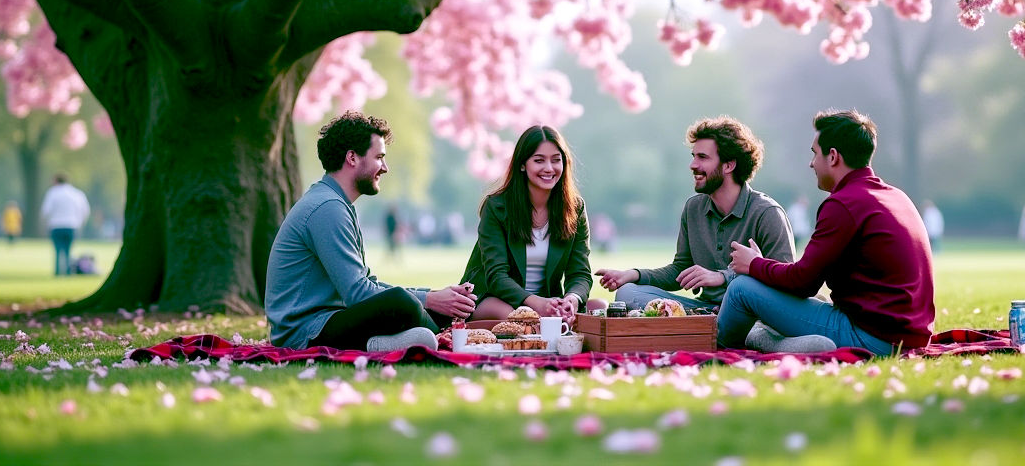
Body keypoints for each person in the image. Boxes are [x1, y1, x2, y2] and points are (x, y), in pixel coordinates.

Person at [722, 110, 936, 355]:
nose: (811, 163)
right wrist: (762, 266)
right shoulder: (896, 196)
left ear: (833, 156)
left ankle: (723, 342)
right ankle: (788, 341)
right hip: (910, 337)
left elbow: (802, 283)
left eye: (814, 153)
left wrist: (754, 265)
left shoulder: (843, 204)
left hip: (873, 338)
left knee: (741, 289)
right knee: (816, 302)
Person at [264, 111, 476, 351]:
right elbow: (359, 293)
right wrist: (429, 301)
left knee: (420, 303)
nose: (385, 167)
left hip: (330, 320)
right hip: (306, 332)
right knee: (401, 302)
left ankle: (386, 343)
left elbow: (366, 283)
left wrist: (433, 296)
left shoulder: (336, 203)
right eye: (379, 157)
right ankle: (443, 338)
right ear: (352, 157)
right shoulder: (327, 208)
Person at [596, 116, 796, 318]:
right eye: (694, 156)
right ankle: (704, 327)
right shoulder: (693, 208)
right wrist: (634, 275)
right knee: (628, 292)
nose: (693, 164)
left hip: (750, 314)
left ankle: (707, 330)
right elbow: (680, 271)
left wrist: (722, 277)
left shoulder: (767, 213)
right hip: (706, 309)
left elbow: (786, 281)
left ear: (729, 165)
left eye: (702, 157)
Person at [460, 125, 594, 325]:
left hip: (548, 301)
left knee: (599, 309)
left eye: (556, 160)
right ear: (523, 164)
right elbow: (496, 276)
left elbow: (580, 273)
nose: (549, 168)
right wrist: (537, 304)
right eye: (539, 160)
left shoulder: (575, 209)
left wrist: (572, 299)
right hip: (494, 298)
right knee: (521, 319)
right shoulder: (497, 207)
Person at [41, 174, 91, 276]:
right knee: (68, 250)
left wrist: (46, 222)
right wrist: (80, 222)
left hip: (56, 225)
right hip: (71, 225)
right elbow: (85, 210)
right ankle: (68, 272)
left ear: (56, 181)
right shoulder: (77, 193)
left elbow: (45, 211)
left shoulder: (52, 193)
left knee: (58, 250)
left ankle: (58, 272)